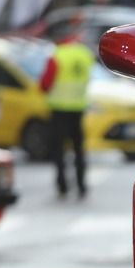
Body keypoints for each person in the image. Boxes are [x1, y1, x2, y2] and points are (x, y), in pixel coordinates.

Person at [39, 30, 95, 197]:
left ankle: (62, 184)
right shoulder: (85, 54)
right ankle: (81, 184)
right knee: (78, 148)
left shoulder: (57, 55)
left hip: (59, 108)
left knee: (59, 148)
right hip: (78, 107)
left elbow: (45, 84)